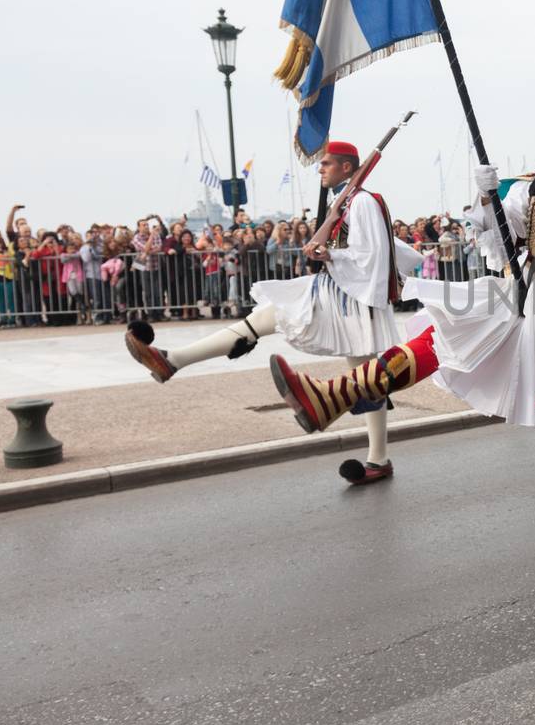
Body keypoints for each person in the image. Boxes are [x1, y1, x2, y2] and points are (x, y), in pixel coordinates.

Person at [267, 90, 535, 572]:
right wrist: (490, 199)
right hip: (522, 291)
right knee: (445, 336)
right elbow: (503, 240)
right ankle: (336, 393)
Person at [125, 140, 420, 485]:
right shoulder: (350, 202)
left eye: (326, 164)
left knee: (364, 379)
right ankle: (172, 360)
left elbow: (373, 253)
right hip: (340, 292)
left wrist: (330, 255)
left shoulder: (364, 202)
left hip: (352, 298)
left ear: (346, 167)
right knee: (359, 376)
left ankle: (172, 360)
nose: (320, 169)